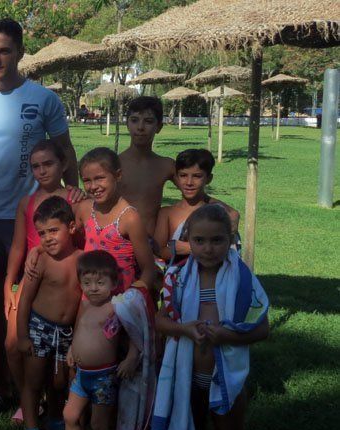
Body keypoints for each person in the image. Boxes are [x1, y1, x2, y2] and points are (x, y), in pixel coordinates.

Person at [0, 18, 79, 410]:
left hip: (35, 217)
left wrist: (77, 199)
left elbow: (65, 150)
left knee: (43, 298)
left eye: (5, 50)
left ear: (20, 52)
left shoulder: (44, 99)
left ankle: (45, 385)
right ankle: (4, 381)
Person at [153, 205, 270, 430]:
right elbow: (160, 320)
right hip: (188, 377)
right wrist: (183, 330)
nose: (208, 248)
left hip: (228, 380)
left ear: (231, 240)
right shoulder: (176, 277)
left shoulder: (243, 279)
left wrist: (228, 336)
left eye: (217, 240)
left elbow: (261, 328)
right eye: (200, 240)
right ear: (188, 240)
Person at [4, 140, 86, 425]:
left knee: (59, 366)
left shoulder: (75, 199)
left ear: (63, 164)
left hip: (60, 281)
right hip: (31, 279)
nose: (41, 171)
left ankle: (54, 406)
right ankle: (29, 400)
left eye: (48, 164)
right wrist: (8, 284)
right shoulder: (27, 202)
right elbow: (17, 246)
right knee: (13, 344)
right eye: (35, 166)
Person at [45, 251, 140, 430]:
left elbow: (136, 338)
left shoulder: (116, 308)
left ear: (114, 283)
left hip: (103, 377)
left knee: (99, 424)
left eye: (100, 283)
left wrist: (131, 359)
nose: (93, 288)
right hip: (81, 375)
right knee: (70, 415)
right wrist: (71, 351)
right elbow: (81, 331)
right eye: (87, 283)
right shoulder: (86, 305)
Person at [15, 196, 82, 430]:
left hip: (67, 332)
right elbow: (25, 300)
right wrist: (22, 336)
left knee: (58, 381)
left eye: (54, 230)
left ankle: (54, 419)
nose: (48, 238)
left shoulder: (82, 259)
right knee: (33, 381)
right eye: (42, 233)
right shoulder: (40, 261)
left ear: (72, 227)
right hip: (39, 327)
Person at [75, 147, 157, 294]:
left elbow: (148, 269)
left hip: (120, 299)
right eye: (87, 180)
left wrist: (133, 300)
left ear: (118, 175)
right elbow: (74, 245)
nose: (93, 186)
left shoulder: (129, 218)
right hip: (89, 296)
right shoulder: (84, 209)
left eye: (100, 178)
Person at [154, 149, 240, 264]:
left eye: (197, 176)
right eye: (183, 175)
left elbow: (227, 250)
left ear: (209, 179)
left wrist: (187, 247)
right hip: (177, 279)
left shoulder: (217, 214)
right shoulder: (166, 213)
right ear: (177, 177)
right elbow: (159, 250)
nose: (189, 182)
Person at [118, 96, 176, 239]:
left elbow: (193, 190)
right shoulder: (114, 164)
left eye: (148, 121)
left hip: (151, 244)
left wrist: (218, 205)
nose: (140, 127)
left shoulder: (166, 165)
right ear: (127, 124)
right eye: (134, 120)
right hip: (119, 243)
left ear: (159, 127)